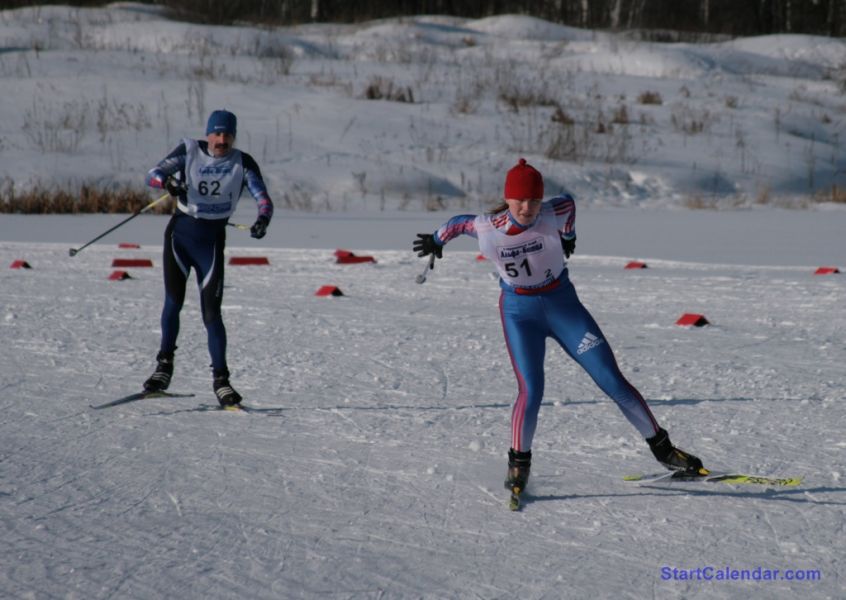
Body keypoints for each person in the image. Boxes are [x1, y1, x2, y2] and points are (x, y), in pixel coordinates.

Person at [413, 158, 703, 496]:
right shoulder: (487, 227)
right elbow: (456, 224)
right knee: (531, 391)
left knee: (612, 380)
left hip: (563, 307)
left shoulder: (555, 210)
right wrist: (435, 241)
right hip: (520, 315)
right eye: (519, 200)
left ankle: (665, 451)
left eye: (534, 200)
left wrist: (569, 236)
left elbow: (569, 206)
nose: (527, 207)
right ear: (507, 198)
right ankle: (518, 464)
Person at [142, 109, 273, 408]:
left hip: (211, 245)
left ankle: (221, 381)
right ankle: (163, 367)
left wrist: (263, 219)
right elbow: (152, 175)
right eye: (216, 133)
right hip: (180, 238)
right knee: (173, 302)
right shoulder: (189, 150)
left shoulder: (243, 162)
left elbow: (263, 198)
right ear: (208, 133)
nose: (221, 139)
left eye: (227, 134)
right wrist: (168, 184)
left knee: (212, 314)